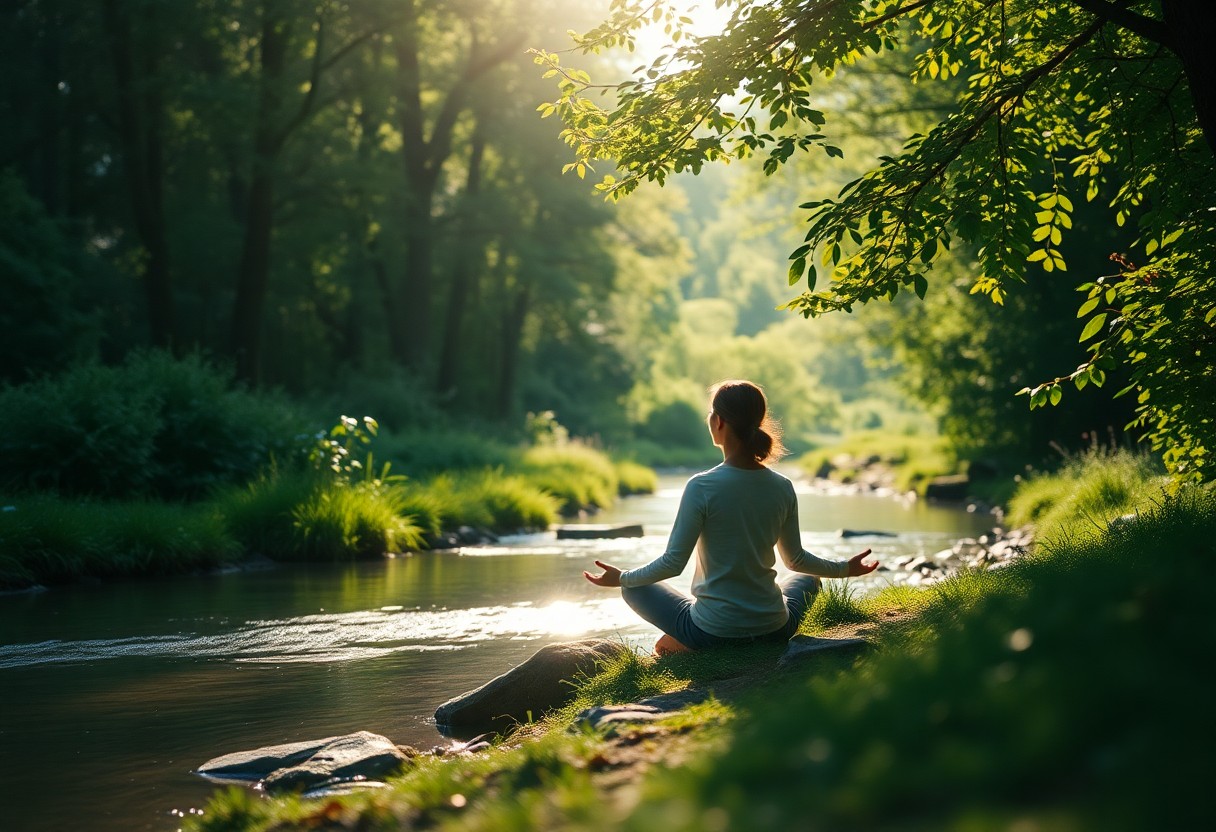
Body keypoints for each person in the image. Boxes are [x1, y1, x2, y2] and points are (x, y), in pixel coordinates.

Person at [584, 379, 878, 655]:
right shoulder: (783, 486)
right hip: (775, 629)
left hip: (713, 633)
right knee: (808, 578)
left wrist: (621, 577)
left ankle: (687, 640)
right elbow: (796, 561)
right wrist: (843, 569)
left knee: (634, 587)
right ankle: (692, 636)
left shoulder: (701, 486)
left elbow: (673, 563)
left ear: (718, 421)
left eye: (711, 413)